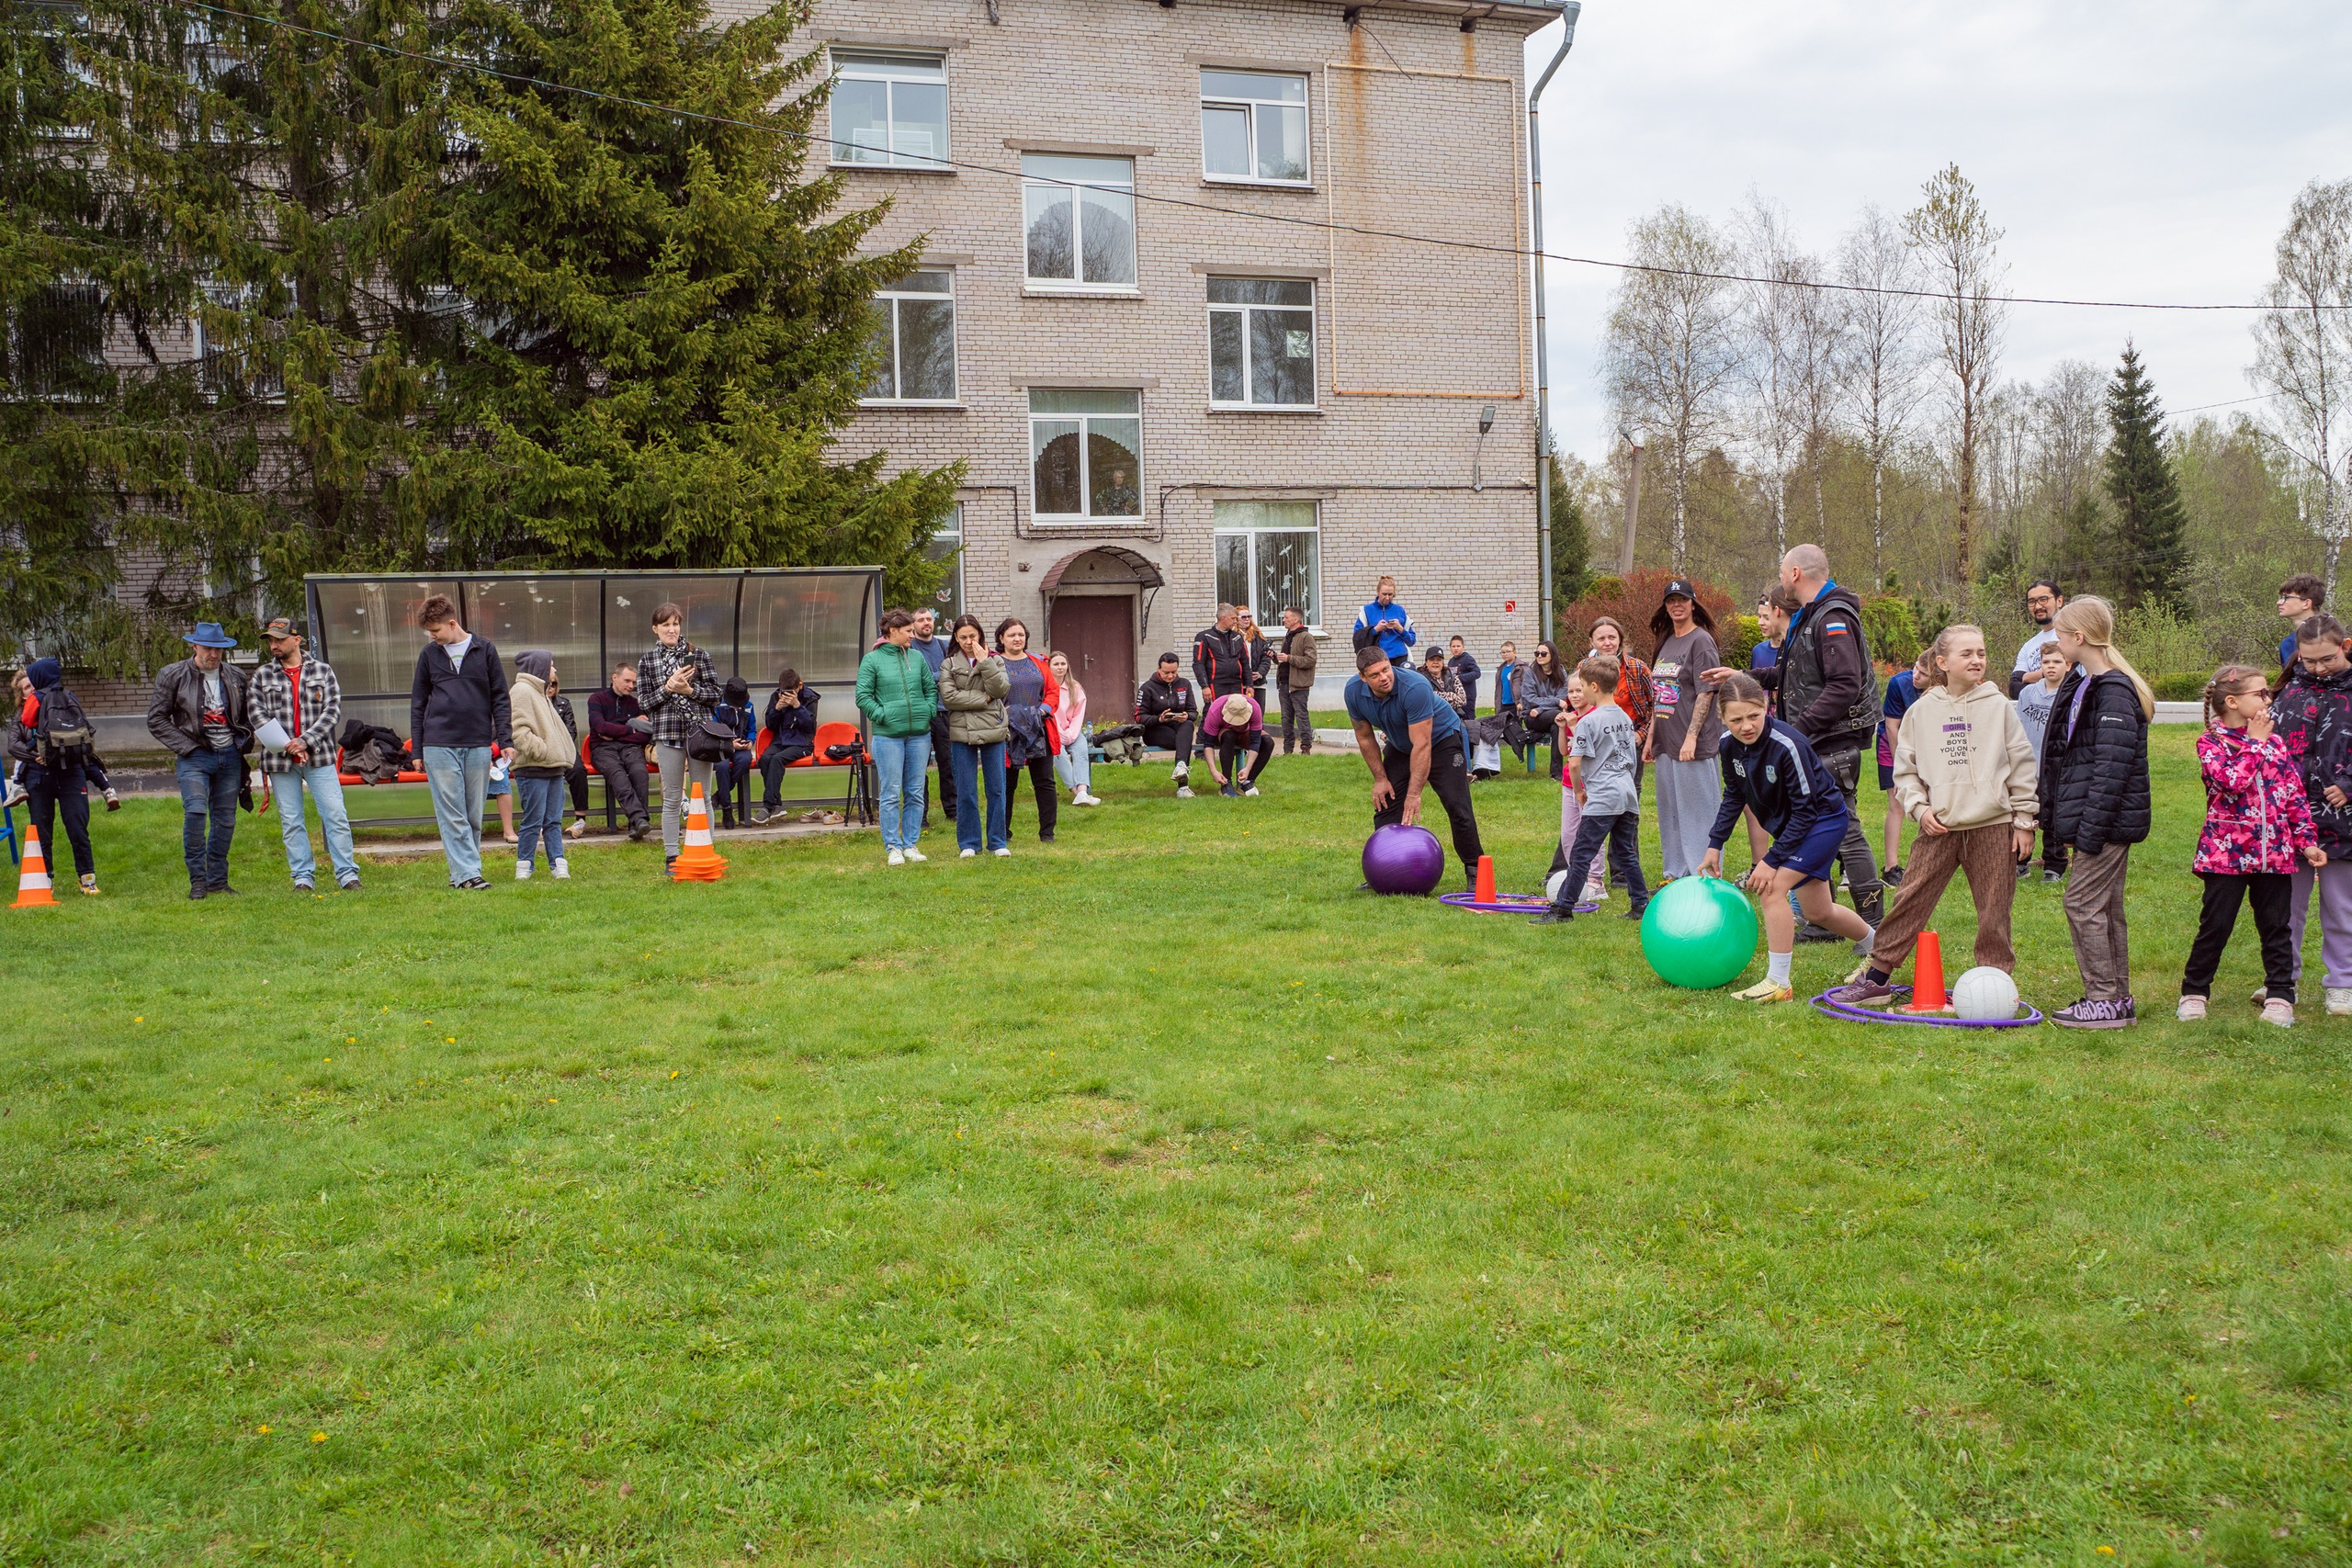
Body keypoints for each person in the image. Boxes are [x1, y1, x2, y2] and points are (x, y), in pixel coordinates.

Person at [1826, 626, 2038, 1009]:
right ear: (1942, 662)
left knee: (1995, 910)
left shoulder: (1999, 707)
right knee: (1910, 898)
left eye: (1981, 653)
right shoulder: (1921, 712)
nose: (1976, 660)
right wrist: (1920, 809)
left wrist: (2024, 820)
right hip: (1938, 826)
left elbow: (2022, 764)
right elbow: (1905, 771)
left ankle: (1996, 985)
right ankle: (1877, 978)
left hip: (1993, 824)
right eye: (1966, 654)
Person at [1702, 545, 1884, 929]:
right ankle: (1822, 922)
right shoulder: (1809, 616)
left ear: (1795, 573)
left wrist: (1793, 734)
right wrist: (1744, 677)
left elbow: (1844, 685)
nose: (1781, 578)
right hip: (1813, 741)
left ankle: (1875, 925)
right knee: (1814, 827)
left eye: (1782, 571)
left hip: (1831, 742)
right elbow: (1794, 676)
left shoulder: (1833, 616)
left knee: (1845, 830)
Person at [1699, 673, 1877, 1003]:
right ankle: (1880, 950)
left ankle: (1778, 982)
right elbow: (1734, 795)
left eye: (1753, 716)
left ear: (1766, 707)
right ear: (1722, 718)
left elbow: (1807, 812)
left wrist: (1771, 860)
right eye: (1736, 720)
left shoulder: (1788, 744)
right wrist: (1714, 844)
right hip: (1792, 826)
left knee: (1771, 888)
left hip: (1822, 822)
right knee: (1819, 912)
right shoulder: (1727, 745)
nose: (1746, 726)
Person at [2175, 664, 2323, 1027]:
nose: (2267, 699)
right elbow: (2231, 782)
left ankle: (2280, 995)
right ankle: (2194, 992)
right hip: (2225, 855)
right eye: (2260, 693)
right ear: (2232, 702)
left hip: (2275, 855)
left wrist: (2306, 841)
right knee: (2216, 925)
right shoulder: (2211, 742)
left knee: (2277, 927)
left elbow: (2293, 795)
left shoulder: (2276, 742)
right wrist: (2254, 742)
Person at [2037, 595, 2154, 1029]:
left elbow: (2111, 770)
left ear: (2079, 637)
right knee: (2104, 906)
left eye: (2060, 635)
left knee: (2081, 903)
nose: (2056, 642)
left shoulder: (2114, 691)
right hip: (2095, 819)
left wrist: (2088, 831)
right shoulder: (2086, 683)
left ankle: (2103, 998)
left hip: (2106, 823)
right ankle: (2117, 1000)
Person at [2265, 614, 2352, 1015]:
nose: (2318, 668)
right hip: (2290, 818)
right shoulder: (2287, 691)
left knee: (2341, 907)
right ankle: (2283, 980)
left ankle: (2342, 983)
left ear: (2345, 647)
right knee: (2285, 908)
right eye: (2309, 660)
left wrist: (2349, 784)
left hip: (2343, 821)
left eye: (2326, 659)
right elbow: (2268, 749)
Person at [1343, 645, 1484, 888]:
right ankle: (1383, 868)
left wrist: (1414, 794)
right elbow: (1364, 738)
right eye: (1375, 675)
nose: (1383, 677)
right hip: (1401, 744)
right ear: (1363, 677)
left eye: (1386, 669)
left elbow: (1422, 744)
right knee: (1386, 803)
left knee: (1457, 805)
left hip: (1441, 740)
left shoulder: (1415, 686)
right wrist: (1380, 779)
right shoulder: (1353, 692)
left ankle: (1476, 872)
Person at [1532, 655, 1648, 924]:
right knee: (1626, 852)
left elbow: (1574, 763)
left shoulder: (1588, 721)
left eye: (1582, 686)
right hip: (1626, 795)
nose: (1580, 691)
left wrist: (1578, 791)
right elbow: (1631, 757)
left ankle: (1562, 909)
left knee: (1581, 854)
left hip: (1603, 798)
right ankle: (1641, 904)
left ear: (1594, 687)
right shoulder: (1624, 717)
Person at [247, 616, 358, 895]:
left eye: (279, 639)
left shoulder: (322, 671)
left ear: (297, 640)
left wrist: (305, 741)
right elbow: (256, 713)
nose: (274, 645)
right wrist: (289, 745)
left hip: (319, 756)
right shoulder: (262, 675)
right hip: (280, 760)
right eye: (270, 640)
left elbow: (332, 711)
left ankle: (347, 874)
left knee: (335, 814)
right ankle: (302, 877)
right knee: (291, 820)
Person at [409, 594, 511, 892]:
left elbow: (500, 697)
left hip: (478, 743)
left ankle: (463, 874)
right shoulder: (429, 655)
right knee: (452, 813)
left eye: (435, 630)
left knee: (472, 814)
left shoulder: (485, 650)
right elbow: (418, 703)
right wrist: (417, 749)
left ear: (452, 623)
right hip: (438, 744)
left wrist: (505, 739)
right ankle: (469, 873)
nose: (432, 636)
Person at [149, 620, 254, 899]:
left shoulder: (235, 675)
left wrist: (243, 741)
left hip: (229, 756)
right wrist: (188, 747)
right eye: (208, 648)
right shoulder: (172, 674)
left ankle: (218, 881)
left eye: (219, 649)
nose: (214, 654)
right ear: (195, 646)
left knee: (226, 819)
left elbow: (246, 717)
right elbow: (156, 719)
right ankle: (198, 880)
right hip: (194, 756)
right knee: (195, 813)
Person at [1645, 579, 1726, 882]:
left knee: (1698, 812)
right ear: (1665, 607)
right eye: (1671, 600)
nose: (1676, 605)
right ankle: (1676, 875)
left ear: (1693, 604)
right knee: (1671, 813)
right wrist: (1651, 737)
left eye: (1682, 599)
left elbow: (1708, 691)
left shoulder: (1701, 641)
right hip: (1666, 742)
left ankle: (1704, 877)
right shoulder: (1666, 641)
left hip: (1693, 744)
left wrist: (1691, 737)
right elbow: (1660, 694)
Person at [637, 603, 721, 875]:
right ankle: (672, 856)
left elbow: (716, 695)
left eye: (675, 624)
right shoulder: (647, 661)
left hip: (700, 735)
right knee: (672, 797)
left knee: (703, 796)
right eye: (666, 625)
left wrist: (689, 691)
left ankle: (705, 849)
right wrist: (668, 688)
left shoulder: (699, 655)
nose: (671, 629)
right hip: (668, 734)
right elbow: (644, 703)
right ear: (655, 629)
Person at [6, 657, 101, 895]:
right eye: (26, 687)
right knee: (42, 830)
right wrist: (36, 756)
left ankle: (86, 877)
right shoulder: (31, 711)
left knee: (77, 827)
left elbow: (79, 730)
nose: (32, 689)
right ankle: (46, 878)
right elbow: (14, 744)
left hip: (70, 773)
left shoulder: (55, 700)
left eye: (33, 683)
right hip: (39, 775)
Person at [855, 609, 938, 865]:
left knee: (915, 792)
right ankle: (893, 847)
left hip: (919, 736)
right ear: (893, 631)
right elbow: (863, 696)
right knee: (891, 792)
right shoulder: (872, 660)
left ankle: (910, 845)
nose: (913, 635)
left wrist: (928, 711)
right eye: (909, 631)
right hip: (888, 737)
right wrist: (884, 716)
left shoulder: (917, 657)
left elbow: (930, 689)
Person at [940, 615, 1012, 857]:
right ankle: (969, 843)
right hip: (963, 732)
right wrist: (985, 698)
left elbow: (1001, 690)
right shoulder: (949, 664)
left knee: (997, 789)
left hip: (993, 729)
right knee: (966, 790)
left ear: (980, 634)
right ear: (956, 638)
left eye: (973, 636)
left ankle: (998, 842)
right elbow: (949, 698)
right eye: (963, 637)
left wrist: (985, 663)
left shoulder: (995, 660)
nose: (969, 642)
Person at [505, 650, 576, 880]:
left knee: (553, 820)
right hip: (533, 768)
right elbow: (518, 730)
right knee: (533, 821)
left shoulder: (540, 693)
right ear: (540, 667)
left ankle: (558, 864)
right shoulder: (522, 691)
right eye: (551, 665)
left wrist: (552, 753)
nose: (554, 670)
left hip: (553, 767)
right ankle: (525, 866)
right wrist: (542, 751)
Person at [996, 617, 1061, 844]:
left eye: (1021, 635)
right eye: (1012, 635)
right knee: (1006, 785)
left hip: (1038, 729)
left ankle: (1047, 833)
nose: (1017, 639)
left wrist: (1042, 711)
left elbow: (1053, 691)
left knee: (1045, 782)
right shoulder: (994, 663)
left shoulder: (1039, 662)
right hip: (1007, 732)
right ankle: (1002, 833)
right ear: (1001, 638)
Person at [2013, 642, 2071, 881]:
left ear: (2068, 665)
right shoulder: (2027, 693)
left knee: (2054, 818)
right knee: (2023, 815)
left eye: (2057, 662)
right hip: (2028, 766)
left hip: (2056, 768)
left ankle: (2054, 866)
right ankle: (2020, 862)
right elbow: (2017, 729)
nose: (2051, 666)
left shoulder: (2070, 696)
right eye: (2046, 662)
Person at [1876, 651, 1927, 887]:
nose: (1916, 675)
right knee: (1897, 803)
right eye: (1915, 668)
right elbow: (1891, 727)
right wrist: (1901, 768)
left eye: (1923, 673)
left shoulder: (1943, 687)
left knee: (1929, 803)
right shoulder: (1899, 683)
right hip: (1892, 746)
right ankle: (1891, 868)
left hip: (1923, 747)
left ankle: (1924, 864)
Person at [587, 660, 652, 841]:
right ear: (614, 677)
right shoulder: (597, 699)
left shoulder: (635, 703)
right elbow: (600, 727)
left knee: (640, 773)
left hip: (629, 747)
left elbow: (644, 737)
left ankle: (637, 824)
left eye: (634, 682)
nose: (631, 686)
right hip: (602, 749)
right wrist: (630, 728)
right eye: (627, 681)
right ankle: (640, 820)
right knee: (618, 776)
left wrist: (614, 733)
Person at [908, 606, 956, 824]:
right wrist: (941, 675)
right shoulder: (909, 648)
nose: (926, 623)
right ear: (913, 625)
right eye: (921, 620)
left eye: (929, 619)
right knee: (918, 766)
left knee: (949, 764)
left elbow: (954, 674)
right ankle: (921, 814)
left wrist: (934, 676)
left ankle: (953, 811)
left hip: (945, 712)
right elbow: (918, 677)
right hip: (922, 714)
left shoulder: (944, 646)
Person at [753, 670, 820, 823]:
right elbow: (770, 726)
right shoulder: (776, 696)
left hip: (802, 743)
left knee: (777, 759)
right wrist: (776, 709)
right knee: (765, 759)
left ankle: (767, 806)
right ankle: (777, 805)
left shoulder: (810, 698)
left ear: (799, 686)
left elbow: (810, 727)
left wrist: (797, 706)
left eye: (791, 692)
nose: (788, 695)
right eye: (785, 692)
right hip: (781, 741)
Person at [1136, 653, 1201, 797]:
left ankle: (1180, 768)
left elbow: (1193, 712)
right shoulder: (1147, 688)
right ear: (1159, 669)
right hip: (1155, 730)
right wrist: (1159, 719)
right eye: (1166, 673)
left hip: (1179, 727)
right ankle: (1183, 787)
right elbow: (1139, 717)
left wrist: (1187, 716)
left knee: (1188, 725)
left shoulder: (1185, 684)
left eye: (1174, 672)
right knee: (1184, 742)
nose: (1170, 676)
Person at [1048, 650, 1101, 807]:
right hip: (1052, 731)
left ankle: (1083, 791)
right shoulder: (1045, 688)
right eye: (1056, 664)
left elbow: (1078, 715)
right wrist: (1060, 733)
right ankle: (1077, 793)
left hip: (1072, 731)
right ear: (1049, 667)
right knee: (1059, 754)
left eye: (1063, 664)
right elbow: (1049, 714)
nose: (1060, 667)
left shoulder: (1075, 687)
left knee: (1081, 750)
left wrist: (1071, 734)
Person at [546, 671, 591, 842]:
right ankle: (543, 822)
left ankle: (580, 820)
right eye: (547, 684)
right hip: (542, 751)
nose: (550, 688)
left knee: (578, 770)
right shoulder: (534, 704)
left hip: (565, 749)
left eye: (554, 684)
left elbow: (571, 731)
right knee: (541, 775)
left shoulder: (564, 704)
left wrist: (560, 747)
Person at [1203, 692, 1274, 797]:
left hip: (1245, 732)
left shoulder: (1255, 708)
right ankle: (1226, 783)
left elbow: (1255, 741)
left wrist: (1247, 769)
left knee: (1268, 742)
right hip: (1223, 734)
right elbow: (1208, 744)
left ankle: (1247, 781)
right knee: (1229, 736)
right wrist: (1214, 772)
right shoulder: (1215, 710)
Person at [710, 675, 759, 829]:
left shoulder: (749, 706)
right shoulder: (716, 706)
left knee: (745, 760)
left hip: (741, 747)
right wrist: (730, 744)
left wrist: (749, 742)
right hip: (720, 747)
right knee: (722, 766)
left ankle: (719, 796)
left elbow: (752, 730)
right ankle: (727, 807)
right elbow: (713, 731)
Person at [1515, 641, 1568, 777]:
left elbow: (1563, 697)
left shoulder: (1561, 672)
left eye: (1543, 653)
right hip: (1532, 718)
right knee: (1559, 715)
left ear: (1552, 655)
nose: (1539, 656)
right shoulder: (1530, 673)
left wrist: (1540, 709)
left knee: (1558, 725)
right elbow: (1529, 699)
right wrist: (1555, 701)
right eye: (1537, 653)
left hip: (1546, 715)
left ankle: (1556, 773)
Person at [2007, 579, 2064, 698]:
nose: (2038, 606)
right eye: (2032, 602)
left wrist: (2028, 677)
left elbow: (2071, 677)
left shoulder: (2070, 635)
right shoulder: (2028, 646)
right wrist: (2049, 677)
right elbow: (2013, 688)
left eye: (2043, 599)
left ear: (2059, 601)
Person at [1274, 606, 1317, 755]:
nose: (1283, 620)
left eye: (1286, 617)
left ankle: (1305, 748)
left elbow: (1310, 660)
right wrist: (1275, 658)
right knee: (1286, 718)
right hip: (1284, 683)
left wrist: (1289, 658)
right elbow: (1286, 660)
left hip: (1299, 685)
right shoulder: (1288, 635)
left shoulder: (1306, 637)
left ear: (1296, 619)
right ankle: (1288, 750)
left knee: (1301, 716)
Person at [1351, 576, 1416, 663]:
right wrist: (1375, 629)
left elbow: (1411, 641)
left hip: (1399, 658)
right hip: (1376, 659)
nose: (1387, 598)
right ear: (1378, 592)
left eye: (1390, 594)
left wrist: (1400, 628)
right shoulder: (1366, 611)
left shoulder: (1400, 610)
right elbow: (1357, 639)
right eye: (1384, 594)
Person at [1193, 604, 1250, 701]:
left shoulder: (1237, 637)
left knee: (1238, 709)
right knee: (1216, 709)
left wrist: (1249, 684)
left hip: (1236, 684)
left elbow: (1245, 662)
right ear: (1223, 618)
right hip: (1215, 684)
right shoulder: (1204, 636)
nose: (1235, 622)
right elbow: (1198, 664)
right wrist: (1204, 686)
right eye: (1233, 618)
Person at [2278, 573, 2325, 682]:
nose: (2279, 603)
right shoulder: (2287, 644)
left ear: (2306, 603)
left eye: (2286, 598)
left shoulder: (2333, 638)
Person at [1238, 606, 1273, 713]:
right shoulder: (1232, 637)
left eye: (1249, 617)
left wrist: (1260, 673)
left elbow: (1266, 658)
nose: (1247, 619)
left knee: (1257, 714)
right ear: (1236, 619)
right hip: (1239, 683)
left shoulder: (1258, 636)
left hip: (1258, 683)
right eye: (1243, 617)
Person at [1419, 645, 1470, 719]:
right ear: (1426, 662)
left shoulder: (1452, 677)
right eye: (1432, 659)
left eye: (1439, 660)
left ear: (1443, 662)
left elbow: (1463, 700)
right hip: (1431, 719)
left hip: (1453, 718)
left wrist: (1438, 698)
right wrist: (1451, 695)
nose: (1435, 662)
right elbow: (1427, 699)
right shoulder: (1420, 679)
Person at [1446, 636, 1482, 716]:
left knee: (1468, 720)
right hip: (1455, 697)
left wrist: (1459, 678)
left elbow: (1477, 673)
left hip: (1468, 697)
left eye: (1458, 646)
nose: (1456, 648)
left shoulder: (1467, 659)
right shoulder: (1451, 662)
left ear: (1463, 647)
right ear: (1450, 648)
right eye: (1453, 646)